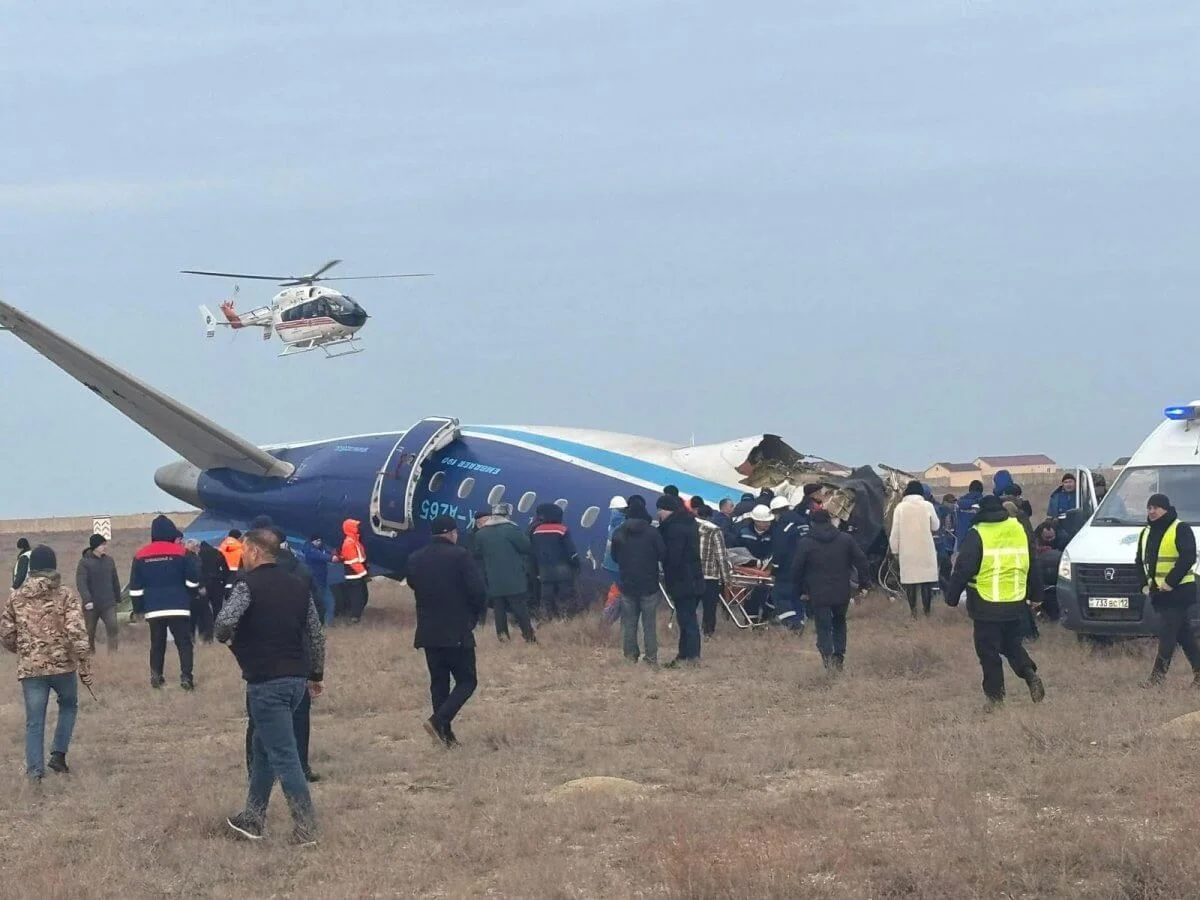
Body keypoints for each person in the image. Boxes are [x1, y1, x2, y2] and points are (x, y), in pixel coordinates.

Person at [216, 528, 324, 845]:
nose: (242, 557)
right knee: (262, 751)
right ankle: (252, 818)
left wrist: (228, 637)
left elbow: (224, 621)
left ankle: (306, 829)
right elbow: (316, 635)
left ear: (256, 552)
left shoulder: (246, 586)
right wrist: (315, 673)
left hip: (266, 683)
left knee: (285, 757)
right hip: (295, 682)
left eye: (245, 551)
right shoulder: (298, 586)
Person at [1, 545, 93, 781]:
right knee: (69, 705)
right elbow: (76, 630)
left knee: (34, 720)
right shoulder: (65, 594)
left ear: (32, 568)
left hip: (31, 668)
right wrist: (82, 659)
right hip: (63, 666)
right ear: (54, 565)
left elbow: (6, 633)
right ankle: (58, 755)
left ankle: (35, 772)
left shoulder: (16, 597)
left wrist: (24, 650)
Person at [946, 495, 1045, 706]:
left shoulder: (978, 532)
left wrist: (952, 597)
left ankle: (995, 698)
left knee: (988, 652)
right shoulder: (1017, 528)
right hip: (1015, 601)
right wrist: (1037, 595)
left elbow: (964, 568)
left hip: (986, 603)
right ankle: (1029, 673)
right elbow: (1032, 563)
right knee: (1011, 644)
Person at [407, 515, 487, 746]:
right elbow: (478, 591)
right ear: (452, 533)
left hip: (428, 631)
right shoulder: (461, 556)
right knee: (467, 681)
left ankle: (444, 736)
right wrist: (474, 616)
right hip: (457, 629)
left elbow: (413, 584)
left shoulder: (415, 558)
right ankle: (438, 721)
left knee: (439, 683)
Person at [1136, 493, 1200, 688]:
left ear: (1166, 509)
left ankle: (1157, 678)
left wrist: (1170, 582)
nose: (1152, 511)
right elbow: (1140, 561)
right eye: (1149, 508)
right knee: (1184, 635)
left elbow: (1188, 557)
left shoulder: (1180, 528)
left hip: (1179, 592)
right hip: (1158, 593)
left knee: (1167, 633)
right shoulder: (1146, 532)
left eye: (1156, 507)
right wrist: (1143, 584)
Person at [129, 515, 200, 690]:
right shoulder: (182, 552)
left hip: (154, 608)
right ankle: (186, 677)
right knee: (184, 643)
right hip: (179, 606)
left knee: (157, 644)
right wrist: (190, 596)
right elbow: (193, 580)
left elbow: (135, 587)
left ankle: (156, 676)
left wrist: (139, 608)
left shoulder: (140, 555)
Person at [793, 510, 868, 673]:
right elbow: (861, 561)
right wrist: (864, 584)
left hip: (817, 592)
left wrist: (801, 590)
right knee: (840, 622)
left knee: (823, 626)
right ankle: (839, 656)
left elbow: (796, 569)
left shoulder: (806, 543)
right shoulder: (845, 539)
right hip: (841, 590)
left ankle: (827, 658)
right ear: (830, 521)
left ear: (812, 523)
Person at [611, 502, 667, 663]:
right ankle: (650, 657)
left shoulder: (619, 532)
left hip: (627, 583)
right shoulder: (652, 532)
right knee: (649, 624)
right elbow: (662, 553)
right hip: (649, 584)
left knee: (629, 623)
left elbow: (614, 556)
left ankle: (630, 656)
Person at [473, 503, 536, 642]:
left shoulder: (481, 534)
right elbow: (526, 547)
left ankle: (503, 638)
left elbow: (477, 552)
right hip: (514, 577)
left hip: (493, 579)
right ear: (507, 514)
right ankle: (529, 636)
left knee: (499, 610)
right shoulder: (511, 529)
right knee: (520, 609)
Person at [657, 495, 704, 667]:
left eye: (660, 511)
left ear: (667, 510)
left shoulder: (674, 529)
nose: (659, 515)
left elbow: (674, 556)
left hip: (683, 580)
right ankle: (685, 655)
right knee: (687, 617)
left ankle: (690, 656)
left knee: (687, 619)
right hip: (693, 578)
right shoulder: (688, 523)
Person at [890, 481, 940, 618]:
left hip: (907, 550)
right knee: (926, 581)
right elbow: (936, 526)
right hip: (926, 548)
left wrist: (895, 549)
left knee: (910, 582)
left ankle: (913, 613)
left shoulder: (900, 508)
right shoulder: (928, 506)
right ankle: (927, 611)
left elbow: (895, 531)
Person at [531, 504, 580, 618]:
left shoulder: (537, 531)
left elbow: (533, 552)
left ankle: (549, 621)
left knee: (547, 599)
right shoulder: (562, 529)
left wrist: (536, 571)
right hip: (563, 571)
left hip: (544, 572)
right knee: (565, 598)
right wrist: (576, 565)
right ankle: (566, 620)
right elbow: (571, 551)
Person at [75, 534, 121, 653]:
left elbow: (115, 580)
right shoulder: (84, 562)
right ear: (95, 547)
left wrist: (118, 598)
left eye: (105, 544)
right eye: (102, 544)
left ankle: (113, 654)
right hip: (91, 605)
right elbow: (81, 583)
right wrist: (87, 600)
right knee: (89, 631)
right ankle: (91, 655)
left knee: (113, 627)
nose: (105, 547)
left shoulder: (109, 561)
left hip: (108, 603)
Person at [769, 496, 806, 632]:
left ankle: (793, 624)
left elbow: (780, 550)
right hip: (805, 567)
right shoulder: (803, 523)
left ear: (776, 512)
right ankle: (800, 621)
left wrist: (774, 569)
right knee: (797, 596)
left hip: (788, 568)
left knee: (780, 595)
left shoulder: (783, 527)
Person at [731, 505, 775, 621]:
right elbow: (736, 552)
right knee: (751, 596)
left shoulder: (773, 535)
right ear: (756, 520)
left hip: (766, 572)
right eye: (764, 521)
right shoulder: (743, 533)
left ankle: (766, 619)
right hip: (748, 572)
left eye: (769, 521)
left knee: (767, 594)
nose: (767, 524)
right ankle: (751, 621)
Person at [695, 505, 732, 638]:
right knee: (709, 607)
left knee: (692, 605)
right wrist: (727, 578)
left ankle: (692, 630)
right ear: (711, 516)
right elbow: (721, 556)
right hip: (710, 575)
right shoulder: (714, 530)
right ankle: (707, 633)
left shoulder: (689, 527)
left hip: (692, 575)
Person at [302, 535, 338, 625]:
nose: (319, 542)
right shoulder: (309, 549)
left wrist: (335, 553)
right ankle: (317, 623)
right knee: (318, 603)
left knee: (330, 602)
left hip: (323, 581)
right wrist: (331, 558)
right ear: (312, 541)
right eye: (317, 541)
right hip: (314, 581)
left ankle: (328, 623)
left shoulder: (322, 547)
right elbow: (320, 556)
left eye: (320, 540)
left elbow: (330, 551)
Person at [339, 519, 369, 623]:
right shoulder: (349, 543)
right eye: (357, 526)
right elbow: (353, 562)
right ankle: (355, 617)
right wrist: (364, 573)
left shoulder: (355, 541)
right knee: (357, 597)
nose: (359, 528)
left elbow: (360, 558)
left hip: (358, 575)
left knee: (362, 595)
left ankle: (356, 615)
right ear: (351, 528)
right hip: (353, 576)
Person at [184, 540, 215, 643]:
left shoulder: (186, 557)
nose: (199, 548)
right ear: (194, 547)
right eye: (197, 546)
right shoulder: (193, 559)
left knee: (192, 617)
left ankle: (192, 638)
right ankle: (206, 638)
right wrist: (200, 587)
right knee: (206, 615)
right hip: (196, 591)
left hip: (188, 592)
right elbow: (196, 575)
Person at [1033, 520, 1062, 621]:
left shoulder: (1063, 538)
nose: (1049, 540)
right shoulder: (1035, 539)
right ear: (1041, 535)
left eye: (1051, 537)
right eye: (1046, 538)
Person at [198, 540, 230, 620]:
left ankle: (206, 626)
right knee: (217, 606)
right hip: (217, 582)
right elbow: (225, 567)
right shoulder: (217, 552)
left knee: (204, 607)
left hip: (204, 583)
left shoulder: (198, 554)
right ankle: (217, 624)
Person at [601, 496, 627, 587]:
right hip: (617, 564)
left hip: (611, 563)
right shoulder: (624, 522)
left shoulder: (614, 524)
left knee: (617, 587)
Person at [954, 480, 985, 550]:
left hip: (962, 538)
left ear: (970, 489)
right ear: (981, 490)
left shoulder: (959, 503)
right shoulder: (983, 502)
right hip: (978, 539)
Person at [218, 529, 244, 595]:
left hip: (224, 569)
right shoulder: (240, 545)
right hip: (237, 569)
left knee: (227, 586)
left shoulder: (223, 544)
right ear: (238, 537)